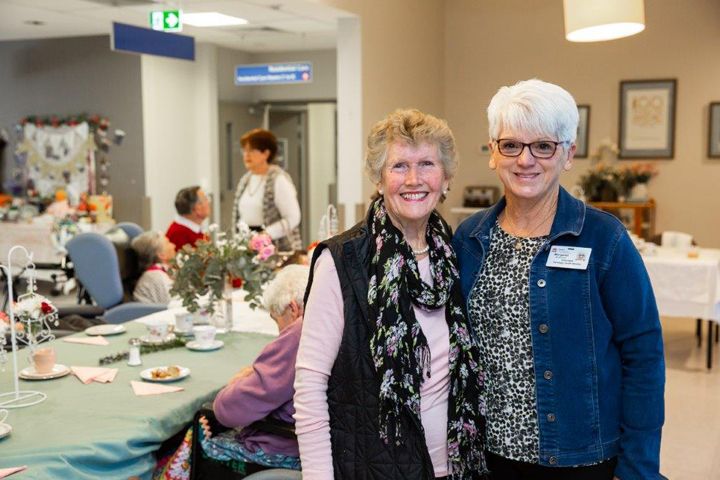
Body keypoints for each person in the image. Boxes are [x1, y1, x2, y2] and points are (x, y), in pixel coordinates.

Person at [452, 79, 665, 480]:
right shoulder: (470, 239)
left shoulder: (605, 239)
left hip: (579, 459)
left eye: (543, 146)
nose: (525, 160)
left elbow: (644, 356)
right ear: (493, 153)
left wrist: (639, 467)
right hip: (485, 458)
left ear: (568, 153)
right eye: (510, 144)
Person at [294, 109, 487, 479]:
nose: (414, 179)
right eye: (399, 166)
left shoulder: (457, 252)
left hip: (457, 466)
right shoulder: (343, 261)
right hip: (373, 467)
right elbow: (310, 384)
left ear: (446, 179)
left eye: (427, 164)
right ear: (379, 180)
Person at [232, 129, 301, 252]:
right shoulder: (245, 179)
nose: (246, 155)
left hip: (274, 246)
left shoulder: (278, 179)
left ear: (266, 153)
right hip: (247, 246)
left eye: (252, 150)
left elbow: (293, 217)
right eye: (245, 150)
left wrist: (266, 234)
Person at [131, 231, 176, 305]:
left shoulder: (164, 271)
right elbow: (173, 305)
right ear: (161, 255)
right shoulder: (155, 277)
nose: (173, 245)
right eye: (168, 243)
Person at [166, 186, 210, 251]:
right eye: (205, 199)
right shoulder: (178, 234)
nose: (208, 202)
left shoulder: (194, 229)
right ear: (197, 208)